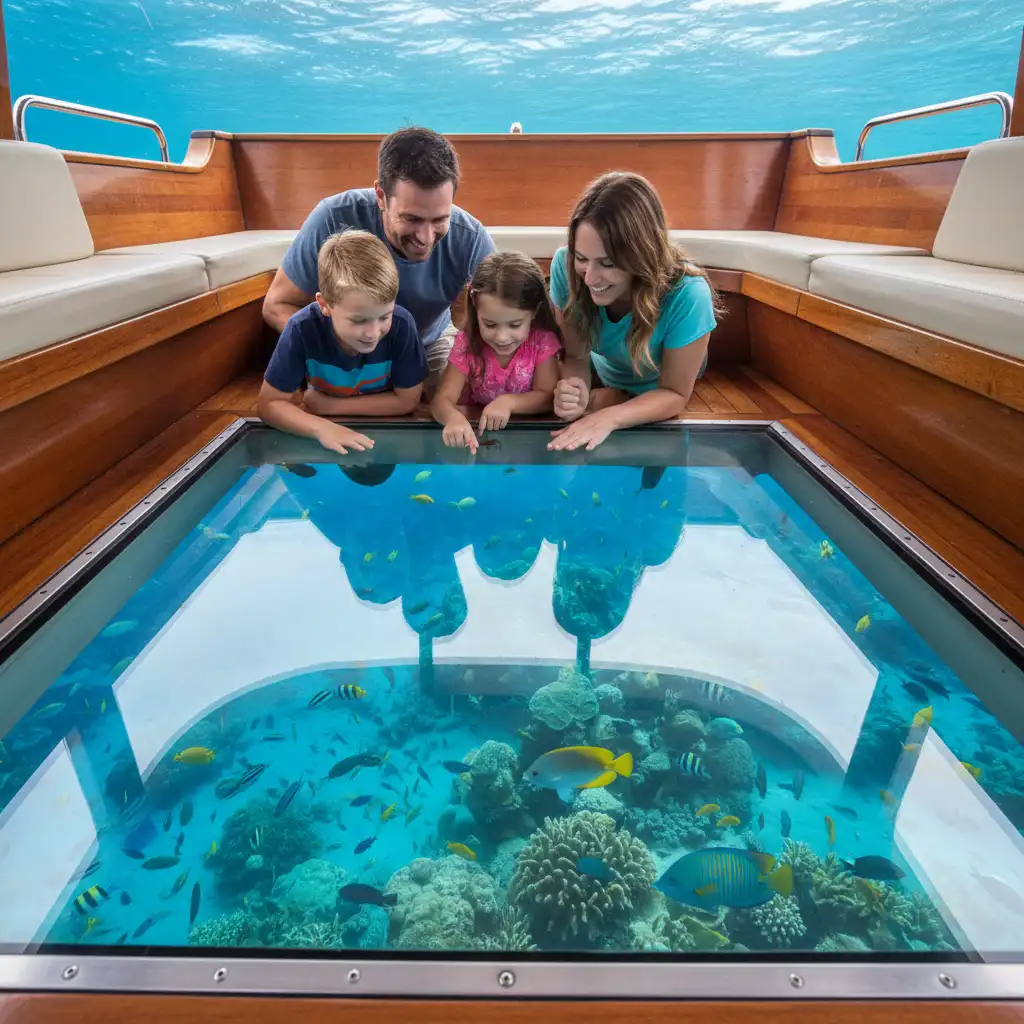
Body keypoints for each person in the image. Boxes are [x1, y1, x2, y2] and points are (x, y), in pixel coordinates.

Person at [263, 126, 496, 390]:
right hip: (347, 348)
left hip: (430, 343)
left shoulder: (471, 236)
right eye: (412, 219)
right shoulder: (332, 217)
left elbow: (507, 314)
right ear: (381, 196)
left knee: (460, 393)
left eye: (440, 220)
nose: (426, 237)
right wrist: (341, 346)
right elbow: (277, 305)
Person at [547, 172, 720, 452]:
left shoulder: (689, 294)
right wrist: (574, 392)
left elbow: (674, 393)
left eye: (607, 263)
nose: (589, 278)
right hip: (606, 372)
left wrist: (610, 416)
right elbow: (576, 355)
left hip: (662, 386)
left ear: (641, 256)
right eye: (581, 258)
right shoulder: (564, 268)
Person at [257, 230, 427, 455]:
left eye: (384, 316)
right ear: (325, 304)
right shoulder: (301, 328)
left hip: (380, 428)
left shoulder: (402, 324)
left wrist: (329, 406)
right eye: (358, 320)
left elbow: (407, 401)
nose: (373, 333)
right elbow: (269, 405)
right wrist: (321, 428)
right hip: (326, 430)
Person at [431, 251, 562, 453]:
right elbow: (441, 400)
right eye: (490, 324)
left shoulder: (542, 342)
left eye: (515, 324)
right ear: (476, 308)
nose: (502, 337)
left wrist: (509, 403)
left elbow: (547, 397)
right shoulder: (466, 344)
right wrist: (453, 418)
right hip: (477, 439)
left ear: (534, 311)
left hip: (524, 443)